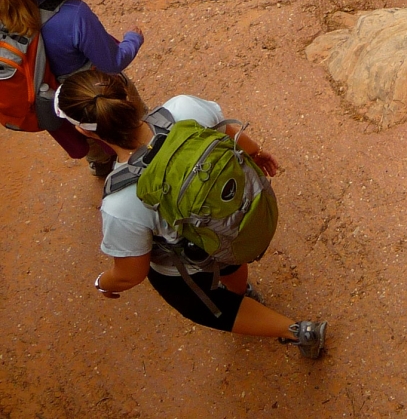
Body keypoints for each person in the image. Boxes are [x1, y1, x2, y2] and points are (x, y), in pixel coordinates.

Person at [56, 70, 328, 358]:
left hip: (194, 257)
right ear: (125, 95)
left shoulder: (120, 201)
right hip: (233, 218)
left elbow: (129, 274)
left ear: (85, 130)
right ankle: (242, 292)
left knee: (208, 308)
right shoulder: (183, 108)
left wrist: (103, 283)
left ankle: (298, 332)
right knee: (224, 250)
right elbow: (228, 133)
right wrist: (257, 152)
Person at [0, 0, 144, 174]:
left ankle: (100, 163)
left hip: (53, 106)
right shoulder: (72, 15)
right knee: (131, 126)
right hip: (93, 93)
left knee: (86, 139)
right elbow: (113, 61)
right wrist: (134, 38)